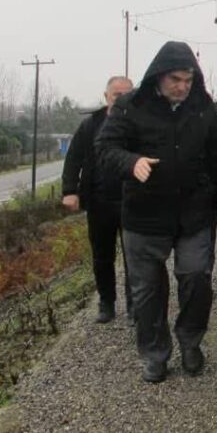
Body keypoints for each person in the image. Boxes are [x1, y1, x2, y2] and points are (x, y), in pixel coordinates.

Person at [96, 42, 217, 383]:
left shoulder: (202, 108)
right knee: (147, 290)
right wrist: (132, 162)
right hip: (143, 216)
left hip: (193, 214)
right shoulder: (130, 107)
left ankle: (190, 341)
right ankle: (155, 354)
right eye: (175, 79)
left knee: (197, 277)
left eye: (188, 79)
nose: (182, 86)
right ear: (158, 75)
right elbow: (105, 148)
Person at [61, 75, 134, 324]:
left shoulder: (141, 123)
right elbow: (73, 159)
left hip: (133, 201)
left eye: (127, 94)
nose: (122, 99)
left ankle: (135, 304)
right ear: (106, 96)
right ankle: (106, 302)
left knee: (134, 255)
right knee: (102, 256)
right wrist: (70, 190)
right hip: (99, 201)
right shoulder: (91, 125)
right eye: (117, 95)